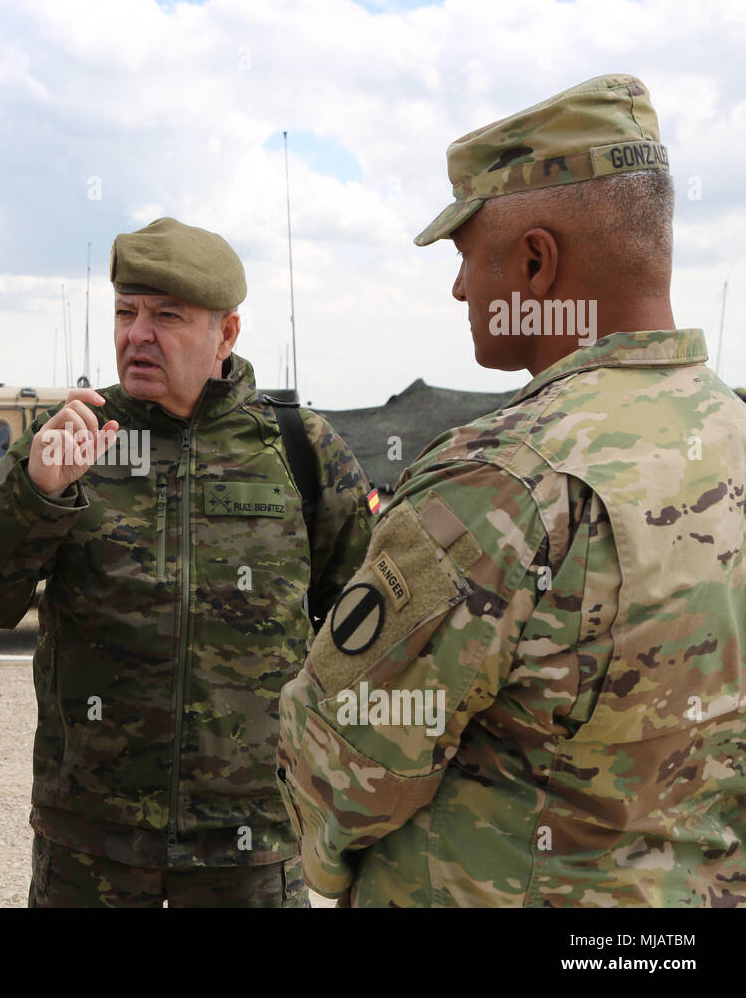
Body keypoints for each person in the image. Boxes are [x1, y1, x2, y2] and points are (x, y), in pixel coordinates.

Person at [277, 74, 746, 907]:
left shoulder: (505, 480)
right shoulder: (733, 436)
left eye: (465, 255)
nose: (460, 289)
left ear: (535, 260)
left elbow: (344, 767)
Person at [0, 217, 374, 907]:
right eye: (125, 313)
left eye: (166, 316)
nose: (137, 335)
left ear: (226, 334)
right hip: (93, 842)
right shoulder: (71, 437)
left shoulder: (299, 448)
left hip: (251, 839)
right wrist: (36, 493)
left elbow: (365, 634)